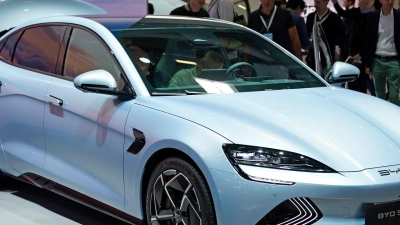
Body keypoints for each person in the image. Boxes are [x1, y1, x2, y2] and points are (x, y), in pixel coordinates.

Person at [331, 0, 375, 93]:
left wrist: (361, 54)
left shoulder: (372, 17)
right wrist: (335, 3)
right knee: (351, 80)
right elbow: (342, 13)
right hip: (351, 53)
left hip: (361, 57)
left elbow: (371, 40)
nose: (358, 2)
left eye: (361, 1)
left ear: (366, 3)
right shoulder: (356, 12)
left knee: (361, 82)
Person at [365, 0, 400, 106]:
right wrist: (368, 64)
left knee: (394, 94)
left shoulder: (398, 16)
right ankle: (382, 117)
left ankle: (395, 118)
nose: (389, 1)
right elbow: (369, 41)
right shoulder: (373, 17)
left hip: (394, 59)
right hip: (377, 59)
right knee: (379, 95)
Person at [306, 0, 345, 74]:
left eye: (318, 2)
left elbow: (342, 38)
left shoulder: (335, 18)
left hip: (328, 57)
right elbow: (307, 34)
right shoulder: (310, 17)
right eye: (315, 2)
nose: (315, 5)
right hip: (312, 57)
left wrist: (326, 42)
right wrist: (309, 41)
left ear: (326, 2)